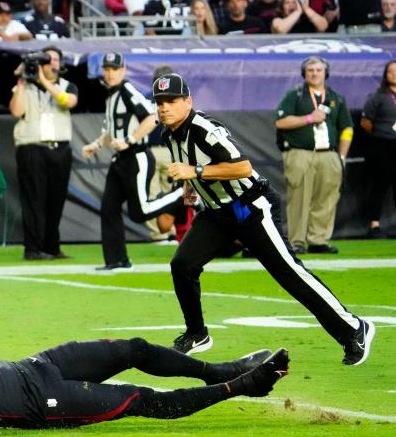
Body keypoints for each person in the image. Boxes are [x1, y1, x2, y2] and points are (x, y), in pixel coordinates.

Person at [152, 72, 373, 365]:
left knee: (289, 274)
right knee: (182, 265)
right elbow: (191, 166)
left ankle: (354, 329)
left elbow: (242, 167)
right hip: (218, 213)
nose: (164, 107)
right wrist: (190, 187)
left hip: (251, 207)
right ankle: (197, 333)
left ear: (188, 101)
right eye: (160, 102)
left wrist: (196, 174)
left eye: (171, 101)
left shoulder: (205, 129)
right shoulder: (169, 132)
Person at [0, 315, 289, 433]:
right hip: (38, 405)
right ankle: (243, 386)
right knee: (139, 397)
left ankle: (221, 369)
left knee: (130, 349)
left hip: (37, 366)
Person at [82, 54, 182, 270]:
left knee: (140, 212)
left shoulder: (127, 90)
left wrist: (130, 140)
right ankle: (117, 260)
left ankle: (181, 195)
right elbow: (111, 132)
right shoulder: (111, 95)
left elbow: (152, 117)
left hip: (137, 156)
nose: (110, 73)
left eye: (114, 69)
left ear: (123, 70)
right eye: (107, 69)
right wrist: (96, 145)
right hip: (120, 159)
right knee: (109, 208)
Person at [275, 56, 352, 254]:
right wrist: (309, 118)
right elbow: (281, 122)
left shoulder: (336, 97)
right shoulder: (295, 95)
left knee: (326, 198)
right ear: (304, 74)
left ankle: (319, 240)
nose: (314, 73)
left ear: (326, 73)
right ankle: (297, 241)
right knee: (298, 197)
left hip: (329, 154)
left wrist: (341, 156)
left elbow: (347, 128)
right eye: (310, 70)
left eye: (318, 70)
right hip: (300, 152)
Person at [9, 45, 77, 261]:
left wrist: (44, 81)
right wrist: (22, 79)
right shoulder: (25, 86)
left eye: (56, 59)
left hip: (59, 148)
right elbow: (16, 111)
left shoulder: (68, 86)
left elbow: (68, 102)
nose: (52, 63)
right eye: (47, 59)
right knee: (34, 200)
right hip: (32, 147)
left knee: (55, 200)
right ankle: (33, 248)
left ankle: (52, 246)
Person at [361, 60, 396, 238]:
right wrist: (379, 133)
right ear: (386, 75)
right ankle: (374, 225)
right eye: (391, 71)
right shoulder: (378, 96)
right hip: (383, 145)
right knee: (379, 186)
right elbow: (365, 122)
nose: (395, 74)